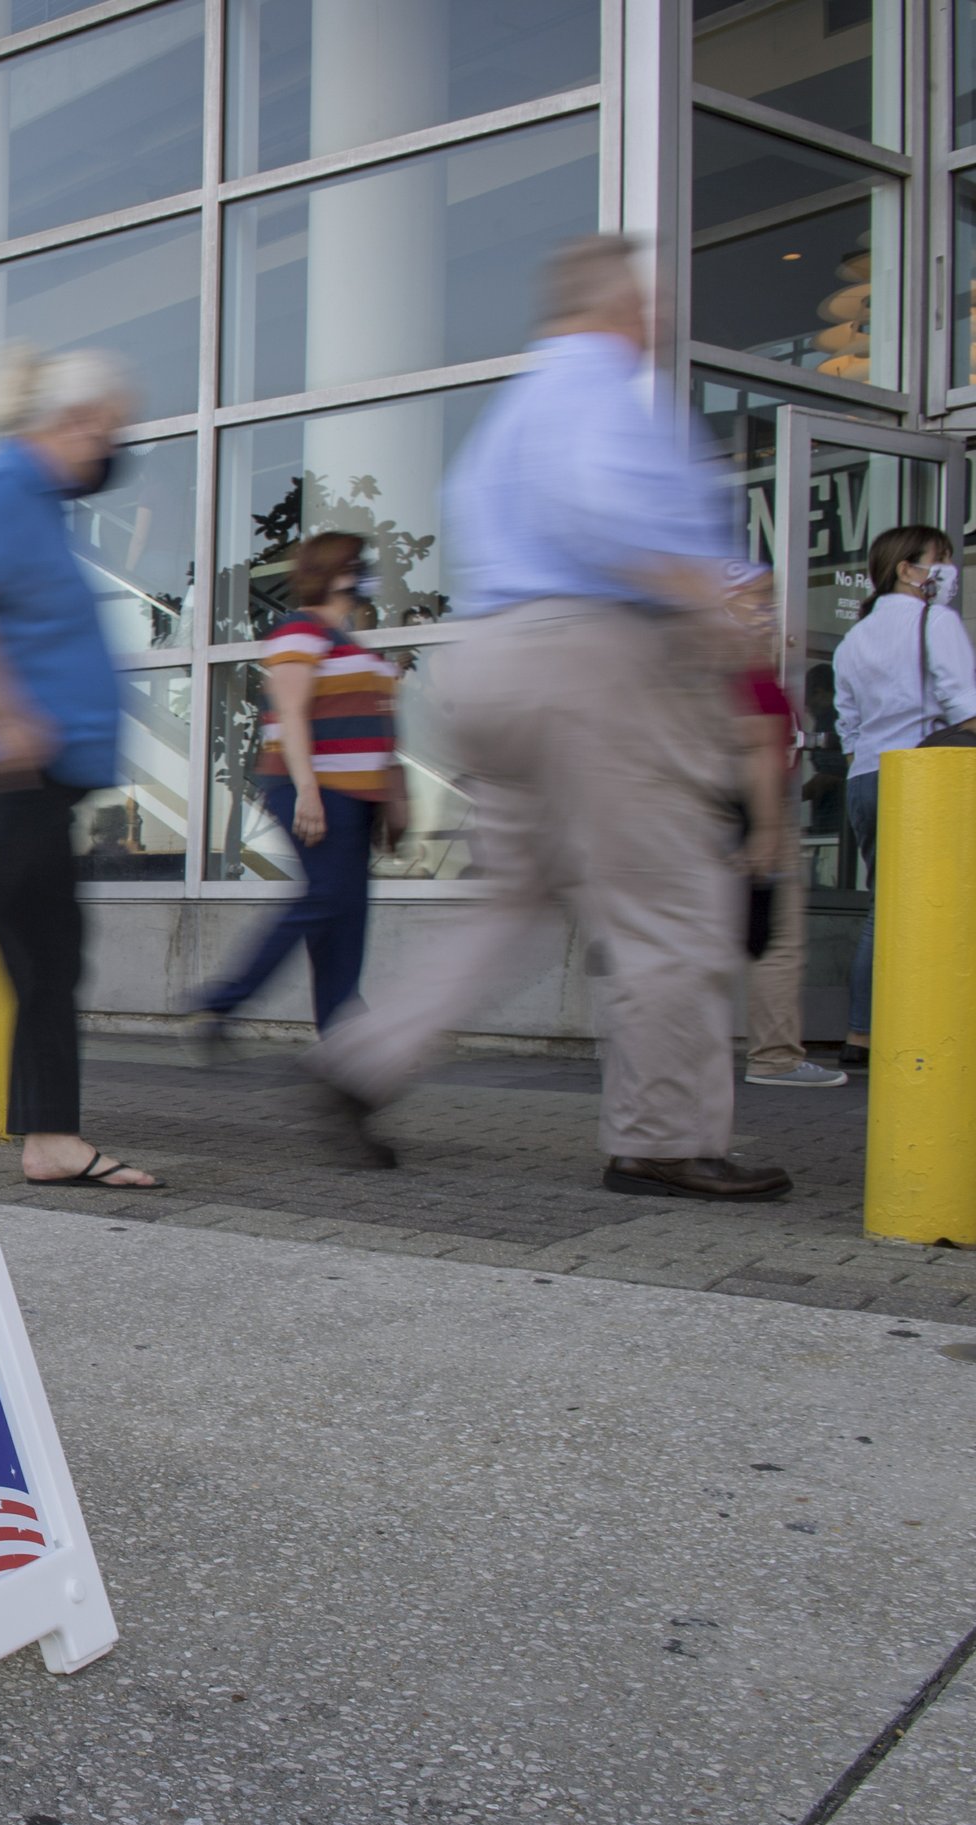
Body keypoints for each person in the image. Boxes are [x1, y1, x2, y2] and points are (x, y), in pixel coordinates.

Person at [303, 236, 790, 1201]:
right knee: (672, 907)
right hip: (593, 662)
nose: (655, 320)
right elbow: (599, 511)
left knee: (510, 901)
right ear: (618, 307)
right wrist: (712, 599)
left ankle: (361, 1061)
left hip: (495, 663)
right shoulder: (606, 389)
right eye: (645, 302)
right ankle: (663, 1138)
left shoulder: (517, 407)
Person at [0, 345, 163, 1190]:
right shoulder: (8, 487)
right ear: (77, 422)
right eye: (109, 429)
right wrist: (1, 715)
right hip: (5, 765)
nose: (112, 449)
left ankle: (51, 1138)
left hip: (29, 770)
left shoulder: (37, 503)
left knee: (42, 951)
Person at [187, 532, 406, 1044]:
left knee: (344, 917)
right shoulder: (299, 631)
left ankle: (343, 1040)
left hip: (355, 798)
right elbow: (290, 715)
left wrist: (394, 799)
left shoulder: (349, 641)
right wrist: (308, 792)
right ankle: (220, 1002)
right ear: (340, 573)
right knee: (325, 898)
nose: (369, 573)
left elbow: (377, 725)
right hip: (314, 790)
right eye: (360, 565)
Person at [831, 523, 976, 1072]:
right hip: (927, 775)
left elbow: (847, 724)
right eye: (938, 559)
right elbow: (963, 704)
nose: (946, 570)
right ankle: (928, 1025)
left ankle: (860, 1033)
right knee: (940, 903)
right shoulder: (935, 621)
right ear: (906, 570)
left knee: (884, 906)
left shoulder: (854, 637)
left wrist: (868, 766)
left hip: (867, 776)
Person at [724, 567, 841, 1088]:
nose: (770, 614)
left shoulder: (735, 663)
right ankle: (775, 1057)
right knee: (777, 940)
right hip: (752, 810)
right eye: (758, 600)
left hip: (741, 811)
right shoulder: (735, 664)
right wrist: (768, 827)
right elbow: (755, 744)